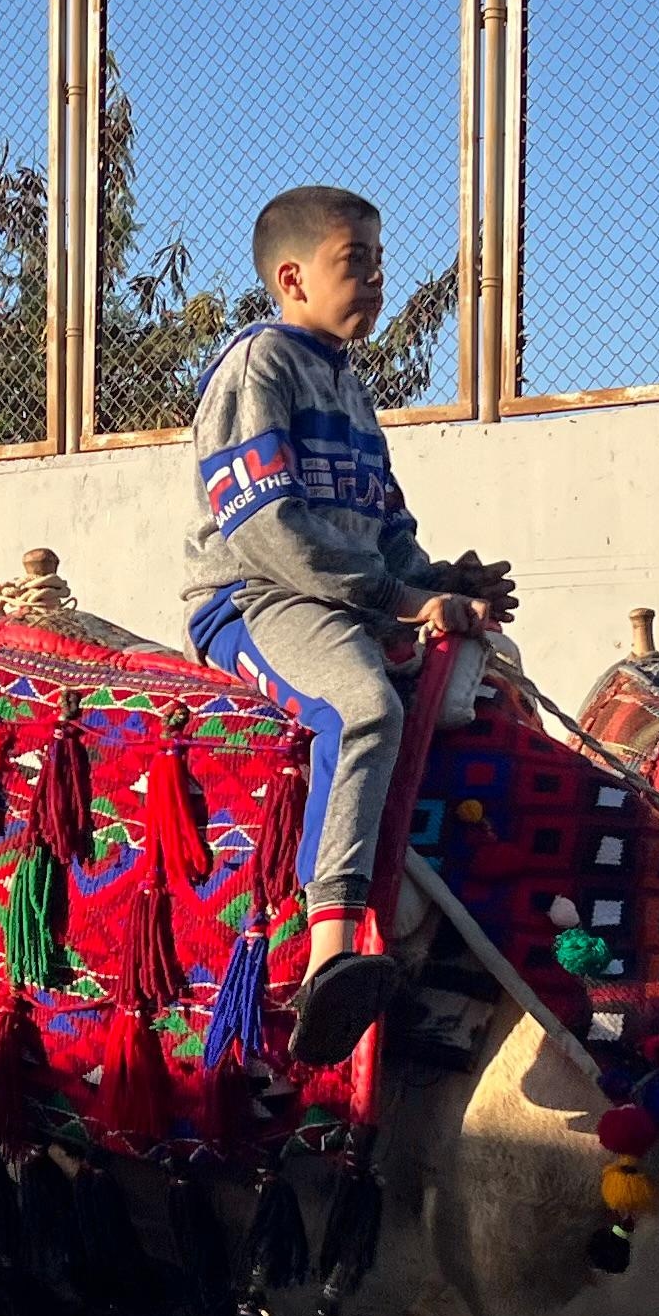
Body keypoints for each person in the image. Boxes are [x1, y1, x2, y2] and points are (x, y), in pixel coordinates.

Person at [184, 185, 514, 1066]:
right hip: (260, 599)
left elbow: (389, 532)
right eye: (354, 261)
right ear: (292, 277)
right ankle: (331, 953)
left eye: (377, 259)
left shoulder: (352, 388)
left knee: (493, 678)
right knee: (363, 706)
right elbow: (267, 530)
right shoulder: (259, 368)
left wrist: (446, 581)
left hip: (346, 596)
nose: (375, 276)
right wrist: (403, 603)